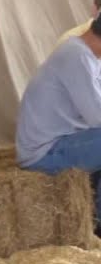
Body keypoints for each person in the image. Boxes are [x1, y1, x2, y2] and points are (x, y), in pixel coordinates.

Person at [18, 14, 101, 234]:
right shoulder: (77, 57)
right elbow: (97, 117)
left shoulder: (85, 54)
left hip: (63, 140)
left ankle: (96, 222)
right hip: (46, 152)